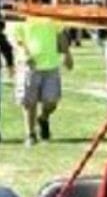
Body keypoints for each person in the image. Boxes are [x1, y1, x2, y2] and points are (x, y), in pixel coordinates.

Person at [8, 15, 74, 146]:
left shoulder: (49, 15)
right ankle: (30, 134)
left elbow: (60, 35)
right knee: (29, 102)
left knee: (52, 101)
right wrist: (24, 53)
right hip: (29, 64)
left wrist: (67, 54)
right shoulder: (18, 15)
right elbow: (14, 38)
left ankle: (43, 118)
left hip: (51, 65)